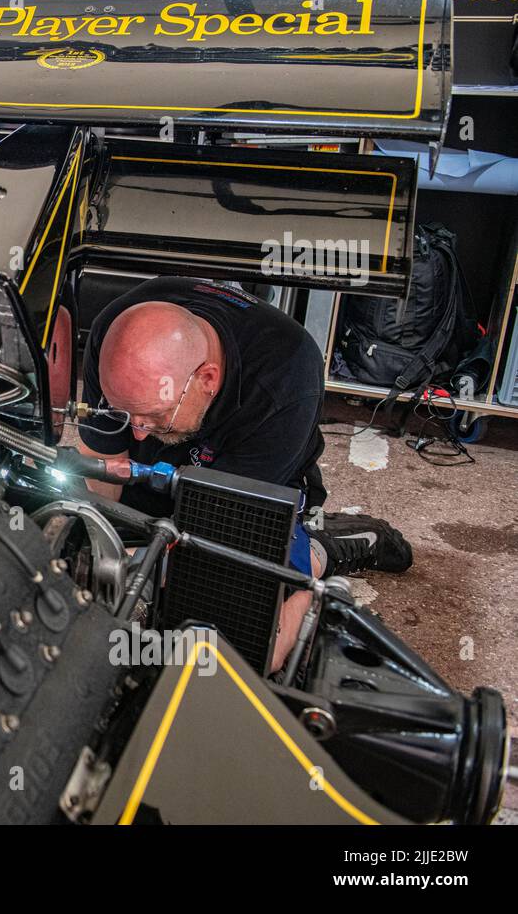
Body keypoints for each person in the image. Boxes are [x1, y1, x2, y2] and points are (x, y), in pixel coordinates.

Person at [78, 277, 412, 672]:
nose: (135, 431)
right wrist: (94, 545)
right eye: (125, 413)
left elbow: (214, 543)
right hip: (149, 476)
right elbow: (104, 458)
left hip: (244, 502)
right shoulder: (116, 336)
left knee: (243, 654)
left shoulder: (285, 376)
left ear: (208, 379)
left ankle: (322, 553)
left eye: (153, 416)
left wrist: (124, 565)